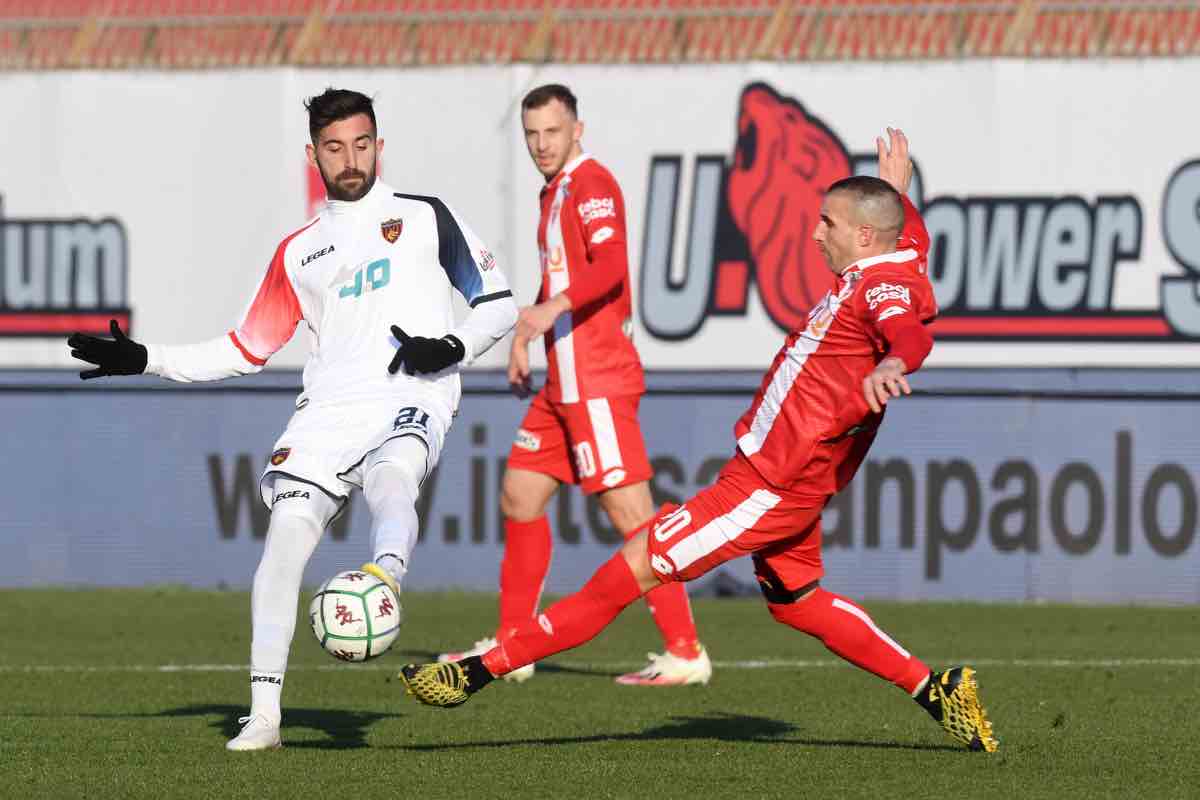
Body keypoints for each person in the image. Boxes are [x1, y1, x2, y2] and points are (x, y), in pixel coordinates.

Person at [399, 129, 999, 753]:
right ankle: (937, 690)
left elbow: (908, 331)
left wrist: (894, 363)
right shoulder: (898, 256)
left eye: (829, 223)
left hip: (768, 485)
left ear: (864, 237)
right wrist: (897, 194)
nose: (816, 233)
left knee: (624, 573)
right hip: (788, 479)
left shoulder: (880, 287)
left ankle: (475, 673)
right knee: (796, 601)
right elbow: (908, 248)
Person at [67, 88, 518, 751]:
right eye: (335, 148)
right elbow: (244, 349)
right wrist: (146, 356)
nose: (351, 158)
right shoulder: (298, 253)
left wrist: (452, 346)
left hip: (412, 391)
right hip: (328, 411)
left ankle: (383, 577)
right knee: (283, 540)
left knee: (394, 476)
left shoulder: (425, 217)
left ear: (379, 145)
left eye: (362, 143)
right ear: (313, 155)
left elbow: (500, 303)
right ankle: (265, 717)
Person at [438, 84, 711, 686]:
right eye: (531, 134)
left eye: (552, 132)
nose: (541, 144)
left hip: (596, 377)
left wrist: (546, 312)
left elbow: (609, 269)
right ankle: (515, 645)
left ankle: (686, 651)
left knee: (633, 513)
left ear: (577, 129)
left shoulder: (591, 184)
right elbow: (562, 277)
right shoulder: (554, 190)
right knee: (519, 496)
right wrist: (523, 334)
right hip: (562, 380)